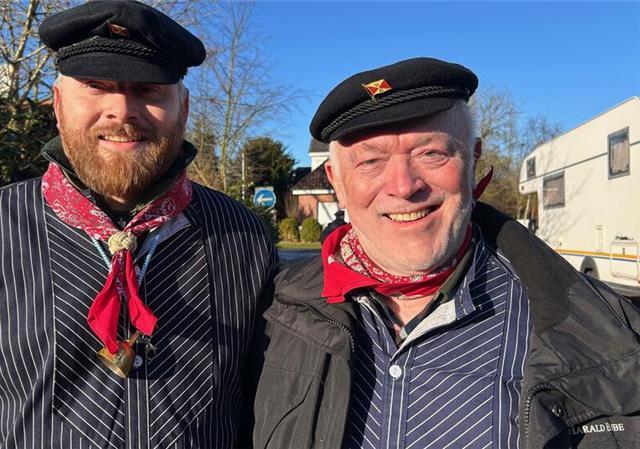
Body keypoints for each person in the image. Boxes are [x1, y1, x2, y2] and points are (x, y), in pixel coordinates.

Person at [0, 1, 276, 448]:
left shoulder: (243, 238)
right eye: (95, 85)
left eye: (148, 89)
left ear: (183, 108)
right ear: (57, 103)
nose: (122, 110)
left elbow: (272, 416)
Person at [253, 57, 640, 448]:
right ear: (336, 181)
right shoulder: (274, 311)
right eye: (371, 161)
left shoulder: (597, 334)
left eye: (432, 153)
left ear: (472, 161)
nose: (403, 187)